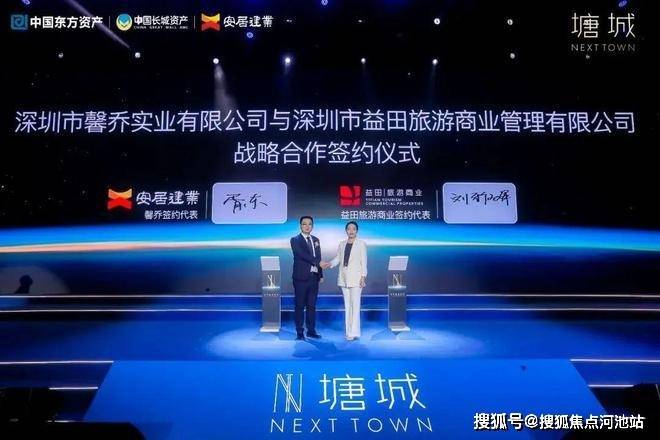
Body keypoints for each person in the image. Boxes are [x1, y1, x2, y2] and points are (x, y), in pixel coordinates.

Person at [320, 221, 367, 341]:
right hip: (344, 278)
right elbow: (338, 259)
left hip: (356, 278)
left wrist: (363, 277)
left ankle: (354, 332)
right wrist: (329, 264)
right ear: (346, 230)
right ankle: (348, 331)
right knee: (348, 305)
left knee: (355, 306)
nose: (351, 231)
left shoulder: (361, 244)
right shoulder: (342, 244)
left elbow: (364, 261)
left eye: (353, 229)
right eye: (349, 229)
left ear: (357, 231)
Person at [290, 216, 323, 341]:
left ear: (312, 226)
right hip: (300, 278)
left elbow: (318, 257)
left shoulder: (316, 240)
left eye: (310, 224)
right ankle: (299, 332)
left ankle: (311, 331)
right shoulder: (295, 240)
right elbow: (302, 255)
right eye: (304, 224)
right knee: (299, 306)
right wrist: (318, 263)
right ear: (300, 226)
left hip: (314, 278)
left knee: (311, 306)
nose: (307, 226)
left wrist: (320, 274)